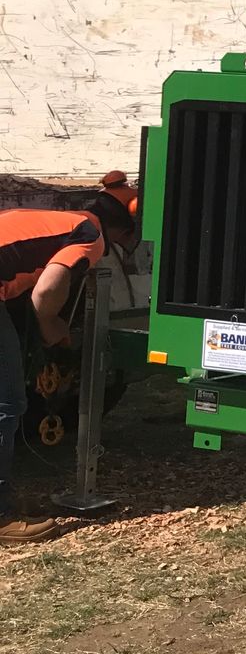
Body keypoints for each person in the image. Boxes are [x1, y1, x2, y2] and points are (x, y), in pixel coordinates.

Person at [0, 172, 141, 542]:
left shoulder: (60, 222)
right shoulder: (88, 235)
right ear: (124, 228)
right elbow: (47, 288)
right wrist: (50, 322)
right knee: (7, 402)